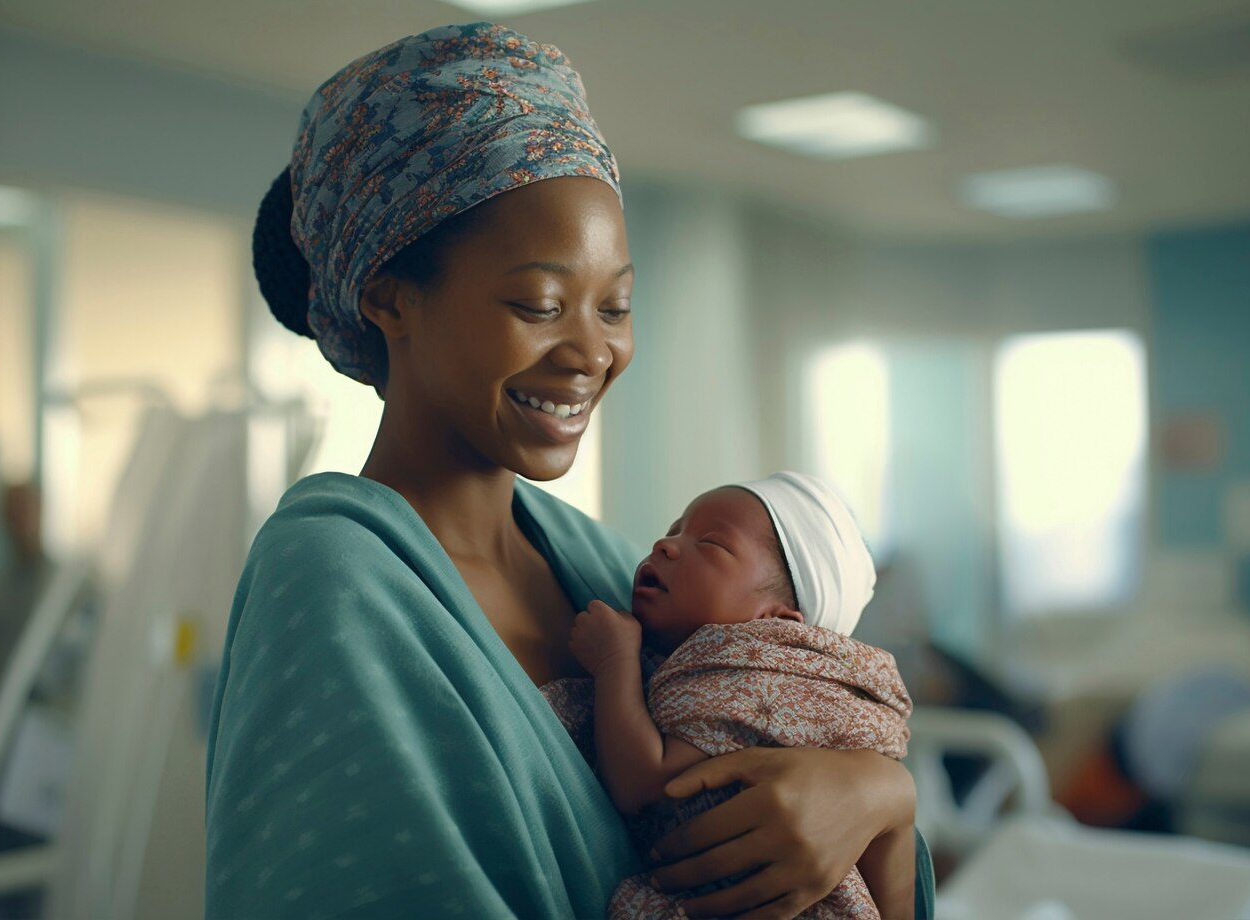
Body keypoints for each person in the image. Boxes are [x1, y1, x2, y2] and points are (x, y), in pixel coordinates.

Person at [207, 22, 933, 920]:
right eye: (539, 304)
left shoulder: (604, 568)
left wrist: (882, 804)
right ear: (390, 298)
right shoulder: (333, 589)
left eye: (616, 305)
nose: (593, 353)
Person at [563, 472, 925, 919]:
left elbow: (647, 786)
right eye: (675, 529)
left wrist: (614, 662)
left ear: (775, 621)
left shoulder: (754, 670)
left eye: (710, 545)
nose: (665, 545)